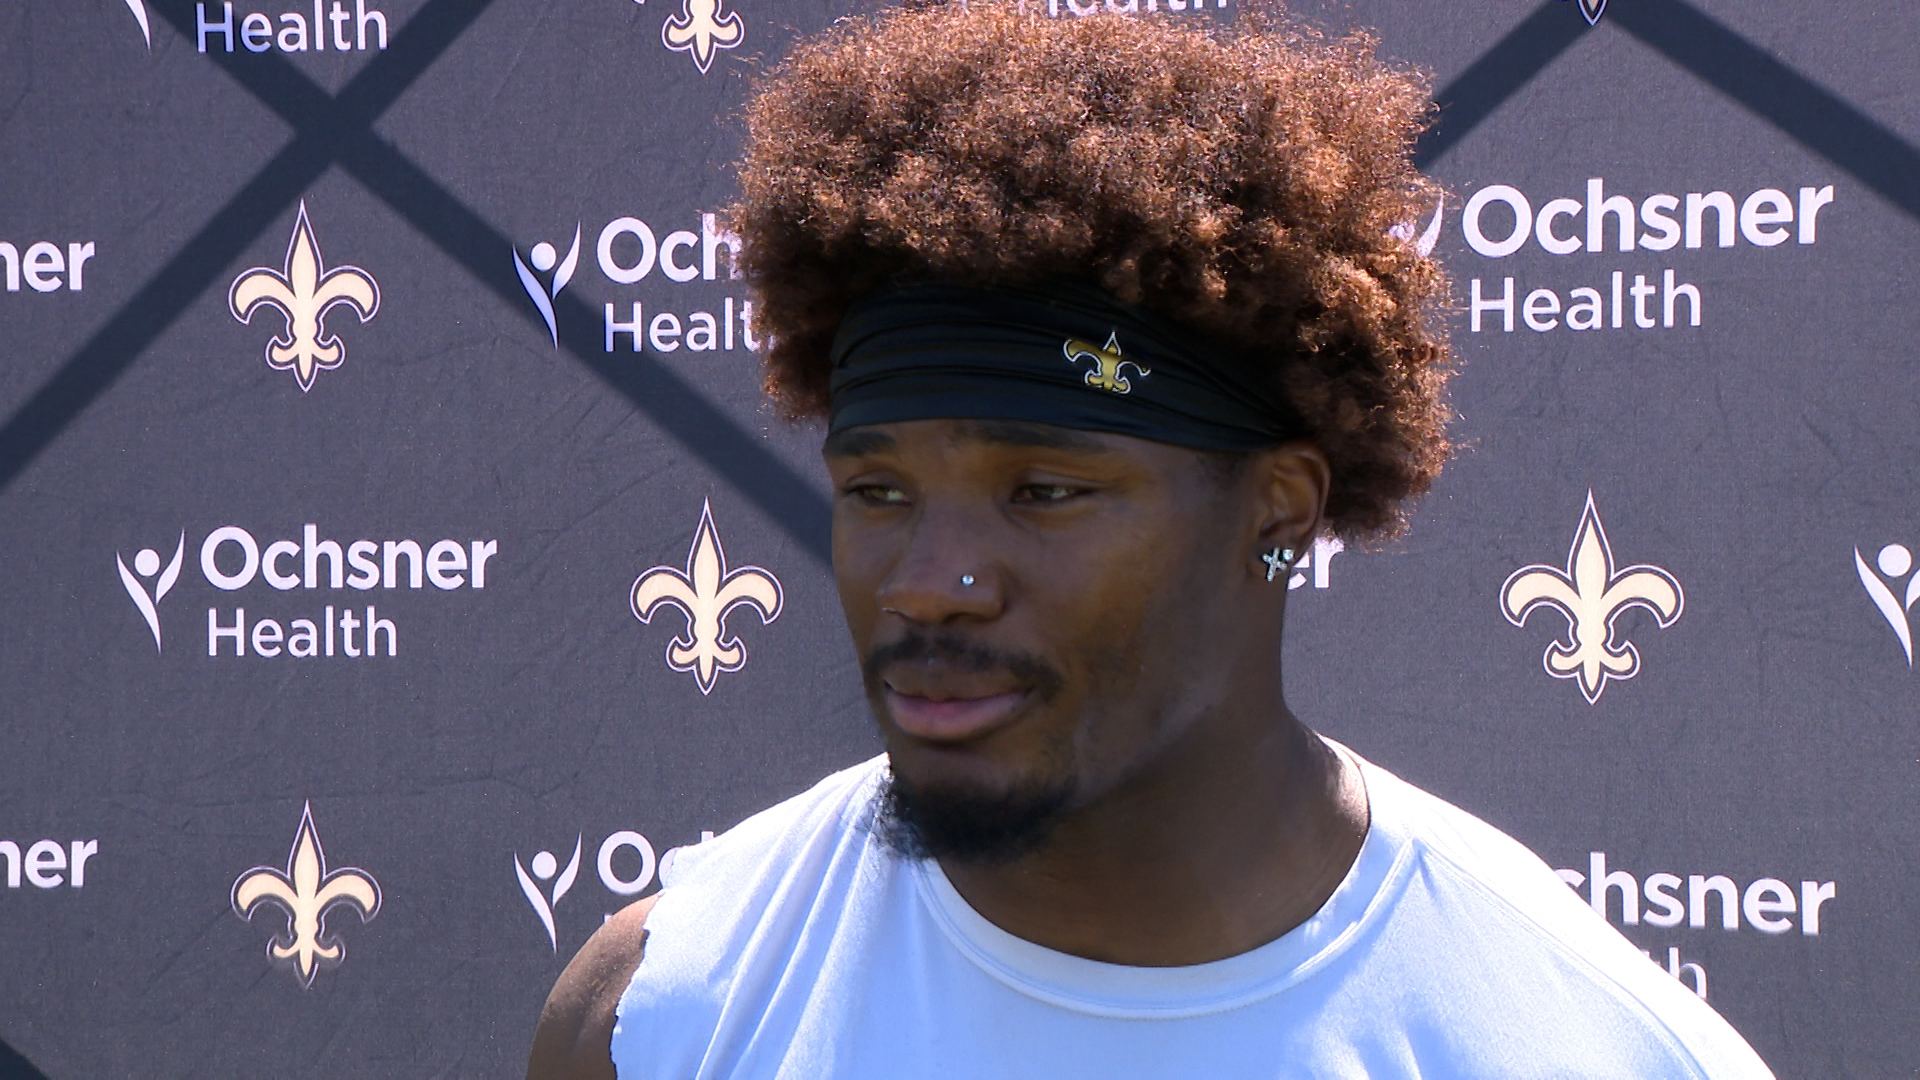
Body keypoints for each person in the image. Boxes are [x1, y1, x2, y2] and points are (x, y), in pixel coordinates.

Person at [528, 4, 1774, 1077]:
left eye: (1046, 490)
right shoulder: (660, 1019)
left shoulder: (1580, 1046)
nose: (930, 585)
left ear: (1278, 515)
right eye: (881, 491)